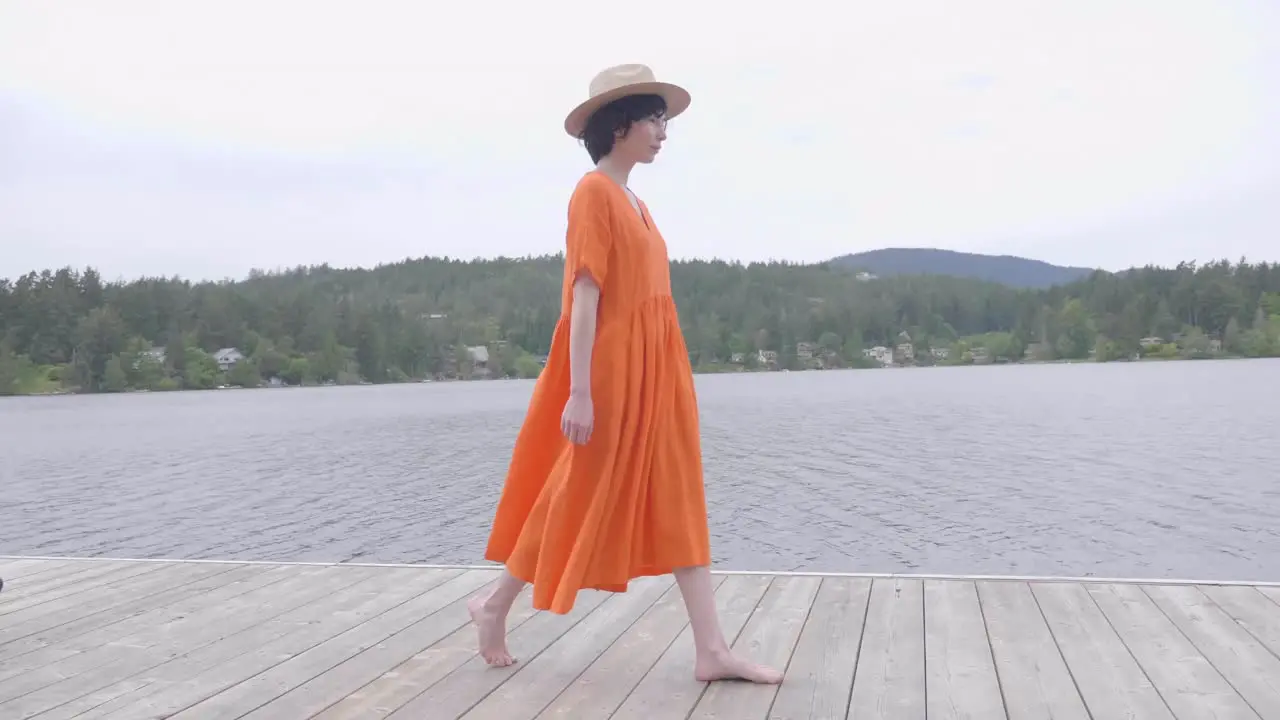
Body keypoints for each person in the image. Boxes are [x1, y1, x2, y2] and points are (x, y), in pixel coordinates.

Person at [470, 64, 782, 685]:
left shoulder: (635, 198)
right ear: (621, 126)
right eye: (654, 119)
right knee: (576, 489)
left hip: (658, 369)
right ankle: (494, 603)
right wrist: (581, 392)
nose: (663, 131)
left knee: (679, 494)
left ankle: (712, 650)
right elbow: (585, 295)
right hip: (613, 371)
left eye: (663, 120)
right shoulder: (593, 192)